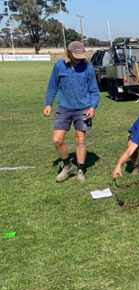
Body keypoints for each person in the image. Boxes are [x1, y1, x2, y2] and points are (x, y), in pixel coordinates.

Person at [44, 41, 100, 184]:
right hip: (64, 108)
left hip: (83, 108)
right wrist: (48, 104)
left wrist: (92, 107)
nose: (78, 58)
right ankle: (68, 165)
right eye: (75, 56)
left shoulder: (88, 67)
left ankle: (80, 170)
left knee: (80, 139)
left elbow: (94, 90)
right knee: (57, 140)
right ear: (68, 53)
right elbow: (53, 85)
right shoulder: (59, 66)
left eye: (81, 55)